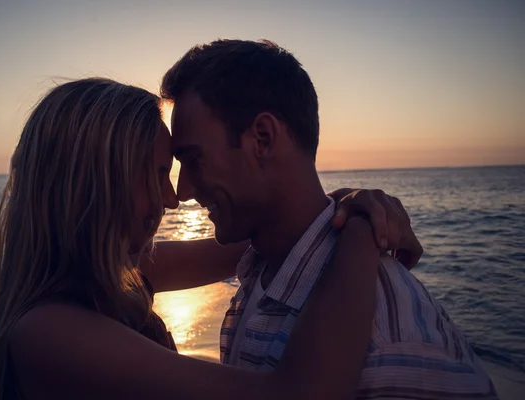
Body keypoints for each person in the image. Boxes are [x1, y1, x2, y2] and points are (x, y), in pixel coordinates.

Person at [0, 78, 419, 399]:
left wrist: (344, 204)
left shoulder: (115, 276)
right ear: (99, 183)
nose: (174, 198)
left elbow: (268, 234)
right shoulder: (48, 333)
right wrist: (360, 234)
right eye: (158, 174)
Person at [159, 39, 498, 398]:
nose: (182, 192)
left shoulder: (384, 343)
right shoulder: (266, 268)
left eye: (193, 160)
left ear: (262, 137)